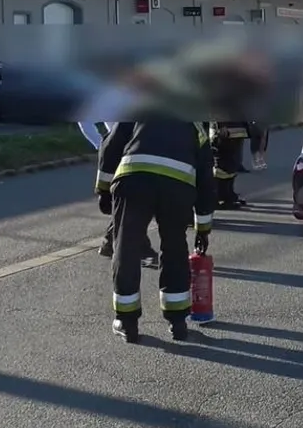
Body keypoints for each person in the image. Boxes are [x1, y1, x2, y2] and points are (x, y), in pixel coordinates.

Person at [96, 119, 215, 343]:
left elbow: (111, 144)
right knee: (175, 249)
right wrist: (203, 228)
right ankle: (177, 322)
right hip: (177, 187)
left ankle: (127, 321)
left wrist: (103, 189)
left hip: (134, 180)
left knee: (127, 248)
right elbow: (206, 179)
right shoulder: (194, 123)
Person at [81, 121, 159, 266]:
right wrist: (103, 189)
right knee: (137, 205)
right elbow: (108, 143)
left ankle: (110, 242)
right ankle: (137, 249)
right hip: (129, 156)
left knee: (133, 205)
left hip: (133, 152)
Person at [211, 121, 250, 209]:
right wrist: (220, 125)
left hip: (236, 128)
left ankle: (228, 194)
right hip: (225, 129)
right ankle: (218, 197)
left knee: (233, 163)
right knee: (222, 164)